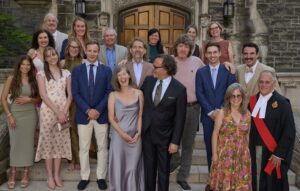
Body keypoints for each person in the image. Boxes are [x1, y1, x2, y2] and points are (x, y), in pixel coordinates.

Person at [141, 54, 187, 191]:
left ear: (166, 69)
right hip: (147, 134)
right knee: (148, 170)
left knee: (163, 172)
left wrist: (175, 142)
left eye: (156, 66)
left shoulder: (179, 89)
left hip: (165, 138)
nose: (153, 68)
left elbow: (180, 118)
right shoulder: (148, 81)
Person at [72, 39, 112, 190]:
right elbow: (75, 93)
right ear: (85, 51)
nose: (92, 53)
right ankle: (84, 176)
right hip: (84, 115)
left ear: (98, 52)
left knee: (102, 147)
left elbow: (109, 91)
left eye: (95, 51)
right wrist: (88, 110)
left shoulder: (106, 70)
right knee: (84, 147)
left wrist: (98, 110)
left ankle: (101, 176)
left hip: (101, 115)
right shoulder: (77, 70)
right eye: (90, 50)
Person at [249, 70, 295, 191]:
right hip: (253, 150)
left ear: (274, 84)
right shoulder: (252, 101)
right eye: (261, 82)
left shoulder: (283, 103)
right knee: (256, 181)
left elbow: (289, 131)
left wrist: (279, 153)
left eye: (267, 82)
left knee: (271, 184)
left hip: (273, 153)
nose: (263, 85)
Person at [196, 42, 236, 177]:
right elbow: (199, 93)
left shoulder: (228, 70)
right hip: (208, 117)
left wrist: (221, 111)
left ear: (219, 53)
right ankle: (212, 180)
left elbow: (231, 92)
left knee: (225, 149)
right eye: (209, 53)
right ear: (206, 55)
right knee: (210, 150)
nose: (212, 55)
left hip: (225, 116)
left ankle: (224, 180)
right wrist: (210, 112)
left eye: (215, 52)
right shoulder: (201, 72)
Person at [170, 34, 205, 191]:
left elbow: (209, 74)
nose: (183, 49)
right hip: (173, 108)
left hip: (192, 107)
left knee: (188, 144)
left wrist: (227, 66)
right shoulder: (169, 61)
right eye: (180, 45)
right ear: (176, 47)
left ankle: (183, 176)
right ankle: (175, 160)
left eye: (186, 46)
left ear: (190, 49)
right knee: (171, 139)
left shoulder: (197, 62)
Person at [35, 47, 72, 189]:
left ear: (57, 55)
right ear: (45, 58)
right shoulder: (41, 74)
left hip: (64, 111)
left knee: (60, 143)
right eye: (48, 56)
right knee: (48, 143)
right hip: (48, 112)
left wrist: (64, 111)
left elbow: (70, 94)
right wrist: (58, 112)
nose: (52, 57)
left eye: (54, 54)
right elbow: (43, 95)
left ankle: (57, 175)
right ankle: (49, 176)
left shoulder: (66, 73)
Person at [1, 55, 39, 189]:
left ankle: (26, 173)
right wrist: (9, 115)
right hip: (15, 114)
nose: (25, 67)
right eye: (23, 64)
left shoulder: (34, 79)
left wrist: (30, 100)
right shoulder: (12, 79)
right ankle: (12, 173)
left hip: (30, 115)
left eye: (28, 65)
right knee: (15, 144)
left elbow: (38, 98)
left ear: (31, 67)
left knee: (28, 144)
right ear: (19, 65)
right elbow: (3, 98)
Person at [208, 83, 252, 191]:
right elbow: (215, 134)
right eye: (233, 96)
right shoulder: (222, 113)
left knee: (240, 183)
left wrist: (247, 152)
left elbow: (247, 135)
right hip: (225, 155)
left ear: (242, 97)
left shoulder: (247, 114)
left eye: (238, 96)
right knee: (224, 182)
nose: (236, 98)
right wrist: (214, 154)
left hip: (242, 155)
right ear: (228, 97)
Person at [108, 64, 144, 191]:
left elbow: (140, 115)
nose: (122, 77)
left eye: (124, 74)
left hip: (135, 136)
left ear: (129, 75)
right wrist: (122, 134)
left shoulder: (139, 93)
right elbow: (111, 118)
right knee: (119, 166)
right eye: (119, 75)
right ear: (116, 79)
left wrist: (139, 133)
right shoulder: (113, 95)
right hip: (119, 136)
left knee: (133, 167)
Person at [60, 37, 84, 171]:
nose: (74, 49)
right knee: (67, 131)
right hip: (64, 101)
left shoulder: (83, 62)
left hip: (78, 101)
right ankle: (71, 159)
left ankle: (78, 160)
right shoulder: (62, 63)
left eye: (76, 47)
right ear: (67, 49)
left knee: (76, 130)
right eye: (72, 47)